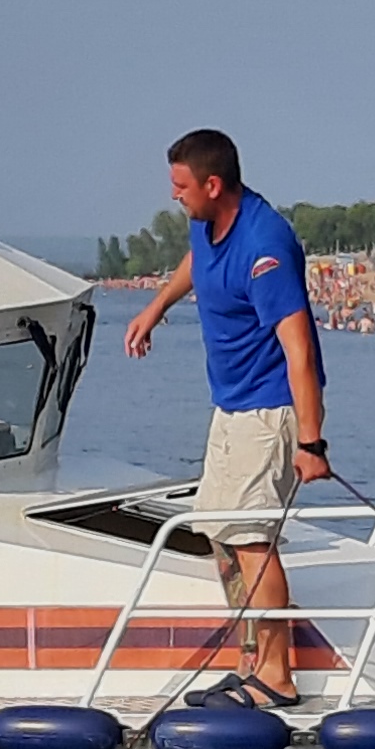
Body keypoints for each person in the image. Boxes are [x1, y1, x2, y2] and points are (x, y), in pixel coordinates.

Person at [115, 127, 325, 705]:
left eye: (181, 187)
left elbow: (300, 350)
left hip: (269, 410)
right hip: (230, 407)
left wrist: (311, 442)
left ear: (213, 183)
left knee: (253, 539)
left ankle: (278, 678)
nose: (174, 197)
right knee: (223, 535)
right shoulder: (207, 225)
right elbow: (196, 261)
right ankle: (252, 661)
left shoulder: (266, 246)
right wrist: (156, 306)